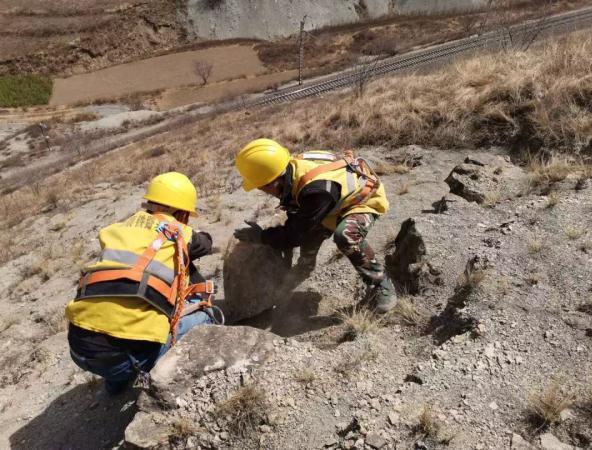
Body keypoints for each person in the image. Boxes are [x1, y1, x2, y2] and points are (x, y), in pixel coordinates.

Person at [65, 172, 217, 395]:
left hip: (78, 349)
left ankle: (115, 385)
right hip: (124, 360)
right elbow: (205, 243)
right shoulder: (179, 231)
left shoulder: (117, 228)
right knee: (205, 314)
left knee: (114, 316)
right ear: (182, 212)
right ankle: (155, 377)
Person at [234, 138, 397, 314]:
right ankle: (305, 266)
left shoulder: (316, 190)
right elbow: (298, 217)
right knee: (309, 228)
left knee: (345, 236)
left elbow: (295, 235)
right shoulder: (291, 170)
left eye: (260, 187)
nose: (260, 191)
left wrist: (262, 237)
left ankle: (381, 283)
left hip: (361, 201)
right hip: (332, 203)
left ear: (273, 182)